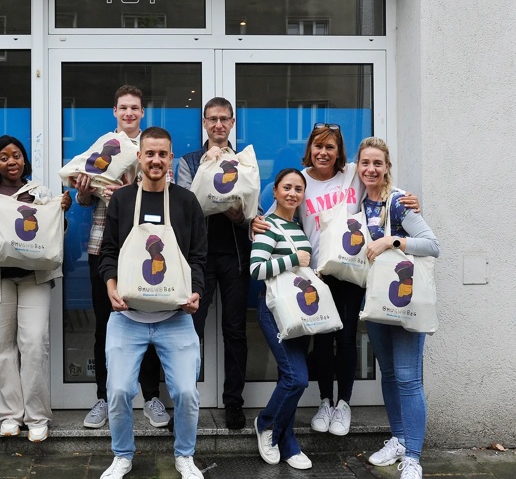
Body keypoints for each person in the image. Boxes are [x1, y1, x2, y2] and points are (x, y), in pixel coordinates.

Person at [251, 124, 417, 437]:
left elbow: (378, 176)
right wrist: (255, 225)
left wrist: (406, 200)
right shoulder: (300, 180)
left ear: (339, 151)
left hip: (352, 270)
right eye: (318, 147)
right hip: (316, 272)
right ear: (309, 150)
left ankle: (344, 403)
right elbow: (273, 216)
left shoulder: (352, 172)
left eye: (330, 147)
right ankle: (325, 401)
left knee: (346, 336)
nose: (324, 153)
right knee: (323, 338)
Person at [97, 127, 208, 479]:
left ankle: (185, 455)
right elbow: (108, 253)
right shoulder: (122, 200)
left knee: (187, 393)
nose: (156, 160)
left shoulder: (187, 202)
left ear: (170, 157)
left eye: (163, 154)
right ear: (139, 157)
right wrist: (111, 285)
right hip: (127, 317)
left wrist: (196, 294)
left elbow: (198, 258)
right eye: (150, 154)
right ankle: (122, 455)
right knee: (117, 391)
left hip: (175, 317)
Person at [0, 135, 72, 442]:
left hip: (34, 277)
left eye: (16, 155)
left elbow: (55, 236)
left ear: (25, 159)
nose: (11, 161)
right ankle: (10, 415)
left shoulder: (40, 192)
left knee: (35, 343)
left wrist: (60, 211)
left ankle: (37, 416)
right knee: (3, 348)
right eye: (3, 157)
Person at [74, 85, 167, 430]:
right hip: (105, 247)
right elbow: (85, 201)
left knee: (151, 323)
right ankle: (105, 397)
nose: (129, 113)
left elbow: (164, 188)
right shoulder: (102, 148)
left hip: (148, 251)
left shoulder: (153, 149)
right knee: (106, 325)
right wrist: (85, 190)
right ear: (115, 111)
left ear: (142, 113)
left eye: (135, 108)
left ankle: (151, 396)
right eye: (123, 108)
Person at [356, 137, 439, 479]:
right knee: (388, 375)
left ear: (387, 166)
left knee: (408, 378)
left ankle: (414, 458)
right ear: (357, 168)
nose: (371, 169)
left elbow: (433, 245)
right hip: (376, 301)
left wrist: (394, 240)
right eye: (365, 164)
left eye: (378, 163)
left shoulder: (399, 203)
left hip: (405, 303)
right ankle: (399, 440)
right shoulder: (357, 202)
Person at [175, 96, 250, 429]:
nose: (218, 124)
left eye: (224, 119)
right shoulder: (189, 160)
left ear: (232, 123)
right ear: (204, 123)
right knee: (191, 331)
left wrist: (240, 217)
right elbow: (182, 207)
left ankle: (234, 402)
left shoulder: (245, 161)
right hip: (198, 259)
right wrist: (207, 166)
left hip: (234, 257)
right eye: (212, 119)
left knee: (235, 331)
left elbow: (252, 210)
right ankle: (186, 400)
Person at [249, 168, 314, 470]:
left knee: (288, 378)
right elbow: (256, 270)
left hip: (300, 309)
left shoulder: (299, 226)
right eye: (286, 187)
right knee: (296, 377)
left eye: (298, 189)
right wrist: (294, 259)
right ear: (274, 192)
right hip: (275, 310)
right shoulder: (268, 226)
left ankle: (287, 442)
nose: (292, 193)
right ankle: (266, 423)